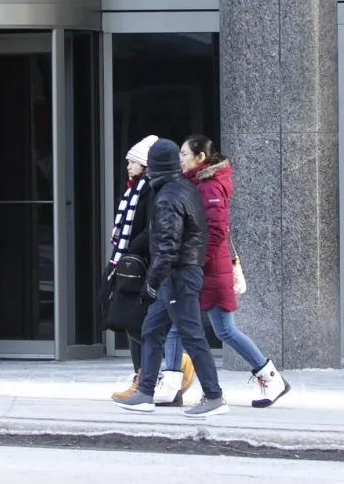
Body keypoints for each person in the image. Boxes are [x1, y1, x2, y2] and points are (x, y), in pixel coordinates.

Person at [162, 135, 291, 408]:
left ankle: (271, 378)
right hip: (203, 268)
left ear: (200, 158)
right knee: (177, 324)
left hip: (210, 270)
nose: (180, 159)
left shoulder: (209, 187)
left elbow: (217, 231)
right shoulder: (196, 184)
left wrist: (194, 261)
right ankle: (171, 386)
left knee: (224, 330)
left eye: (185, 154)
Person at [111, 138, 226, 417]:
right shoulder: (183, 188)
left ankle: (214, 397)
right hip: (180, 274)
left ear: (155, 166)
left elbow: (167, 247)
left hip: (178, 276)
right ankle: (145, 393)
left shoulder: (167, 197)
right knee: (151, 329)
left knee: (192, 335)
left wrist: (151, 282)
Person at [101, 135, 159, 390]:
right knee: (131, 322)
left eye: (132, 162)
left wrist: (132, 250)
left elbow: (149, 228)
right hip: (128, 262)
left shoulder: (149, 190)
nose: (128, 166)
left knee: (137, 322)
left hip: (139, 265)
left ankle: (146, 376)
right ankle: (144, 374)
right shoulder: (134, 190)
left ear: (144, 164)